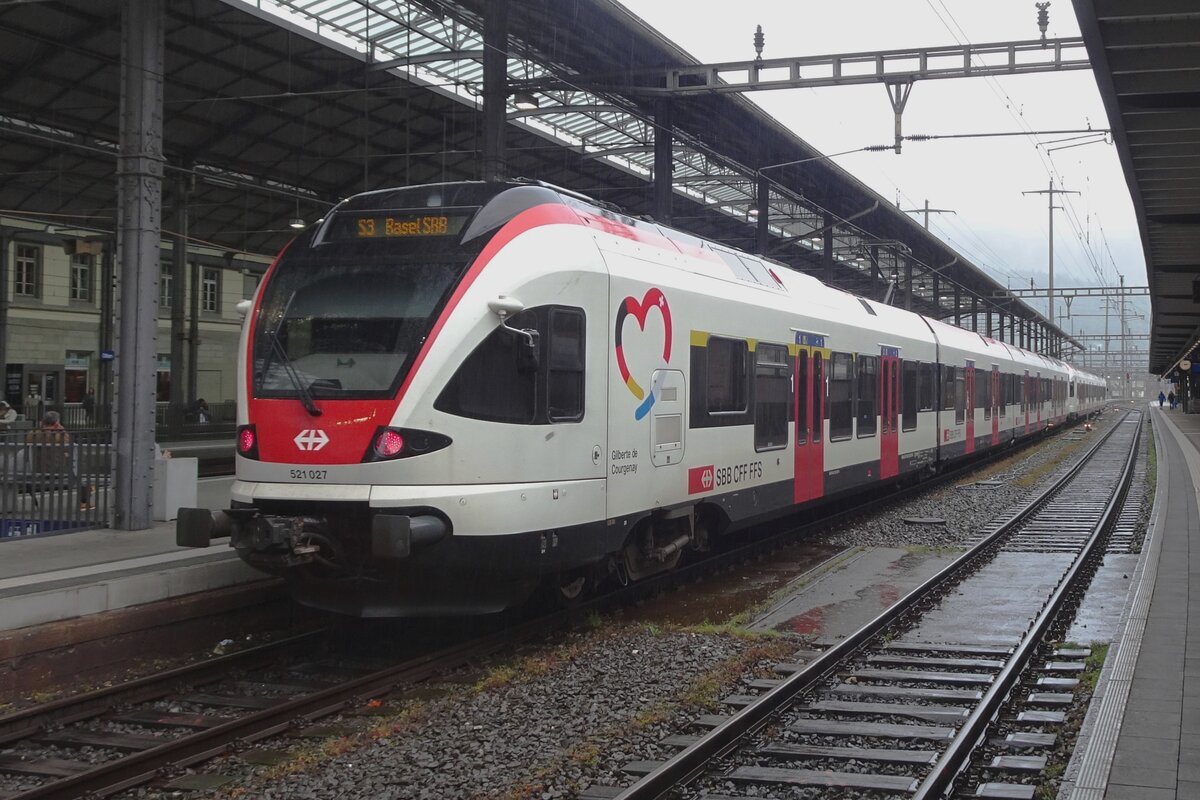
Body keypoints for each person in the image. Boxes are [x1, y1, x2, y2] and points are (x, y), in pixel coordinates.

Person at [25, 411, 92, 510]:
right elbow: (69, 448)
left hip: (36, 469)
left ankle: (35, 503)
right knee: (81, 474)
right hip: (58, 469)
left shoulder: (33, 434)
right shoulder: (59, 434)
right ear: (57, 422)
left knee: (26, 478)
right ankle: (84, 502)